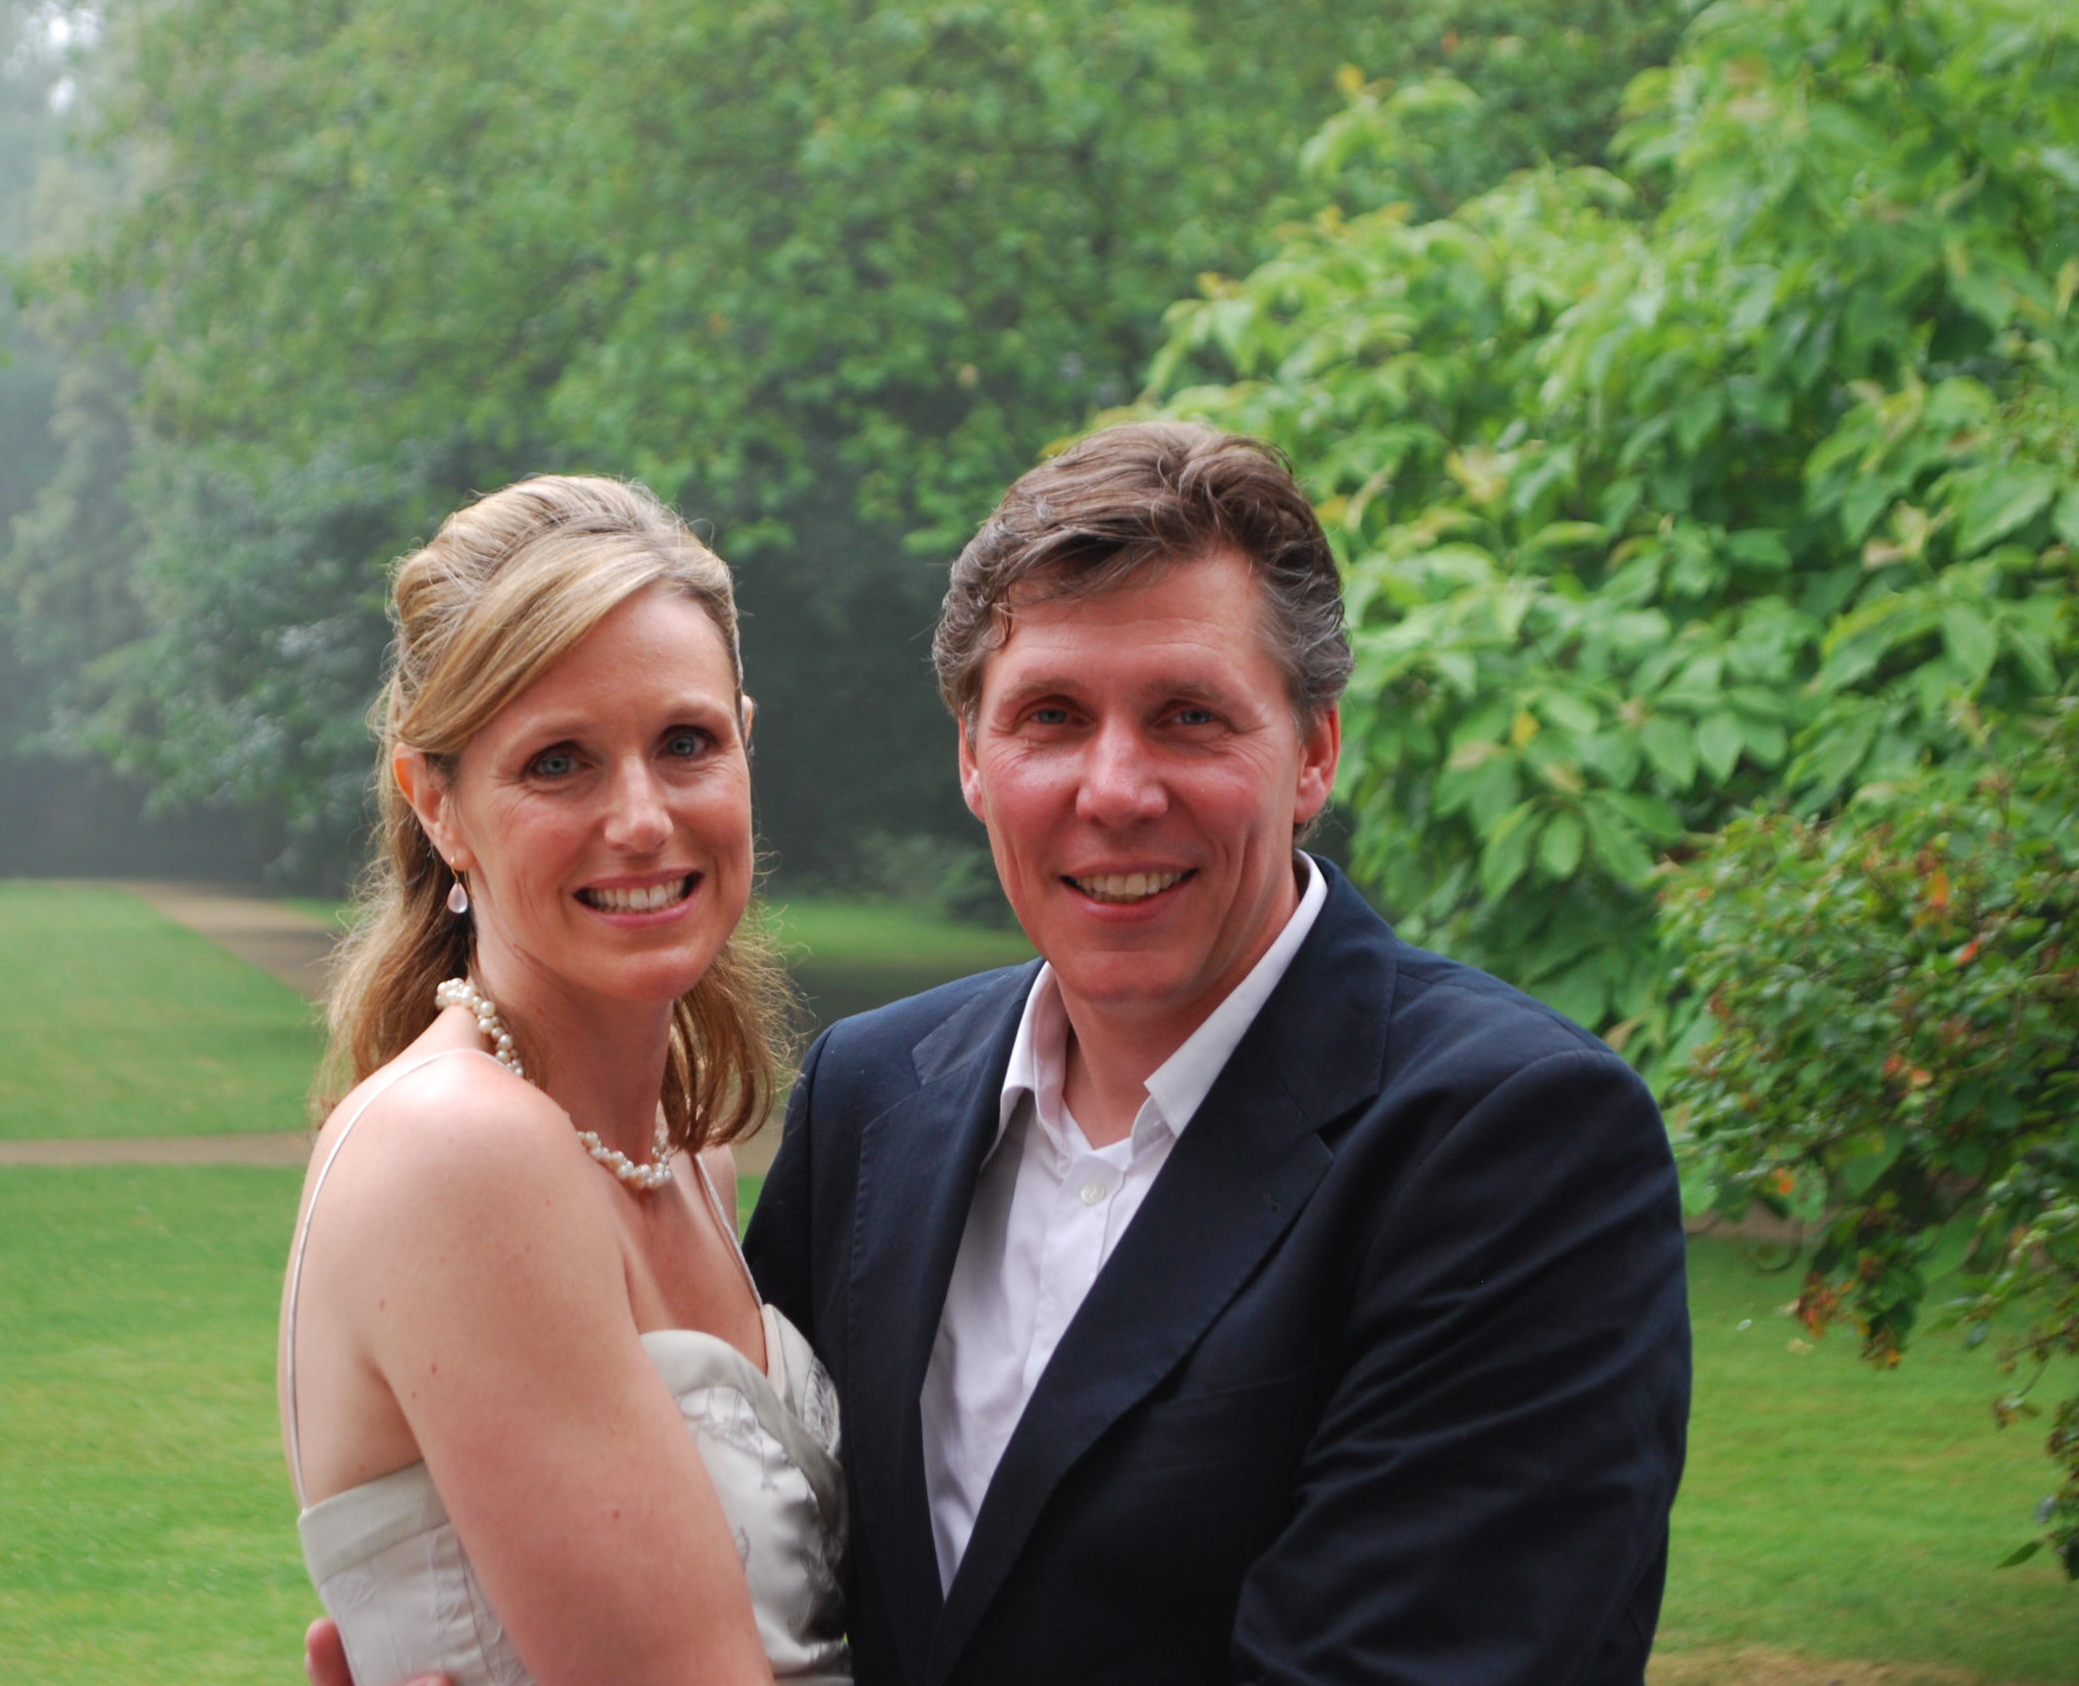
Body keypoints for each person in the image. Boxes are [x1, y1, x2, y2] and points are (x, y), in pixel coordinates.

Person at [312, 423, 1690, 1686]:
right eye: (1050, 717)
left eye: (1189, 715)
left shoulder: (1512, 1142)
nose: (1115, 789)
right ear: (972, 756)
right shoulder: (873, 1101)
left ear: (1313, 750)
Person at [282, 475, 849, 1686]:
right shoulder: (460, 1148)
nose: (640, 817)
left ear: (744, 741)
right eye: (559, 762)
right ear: (437, 805)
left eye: (686, 743)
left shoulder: (684, 1153)